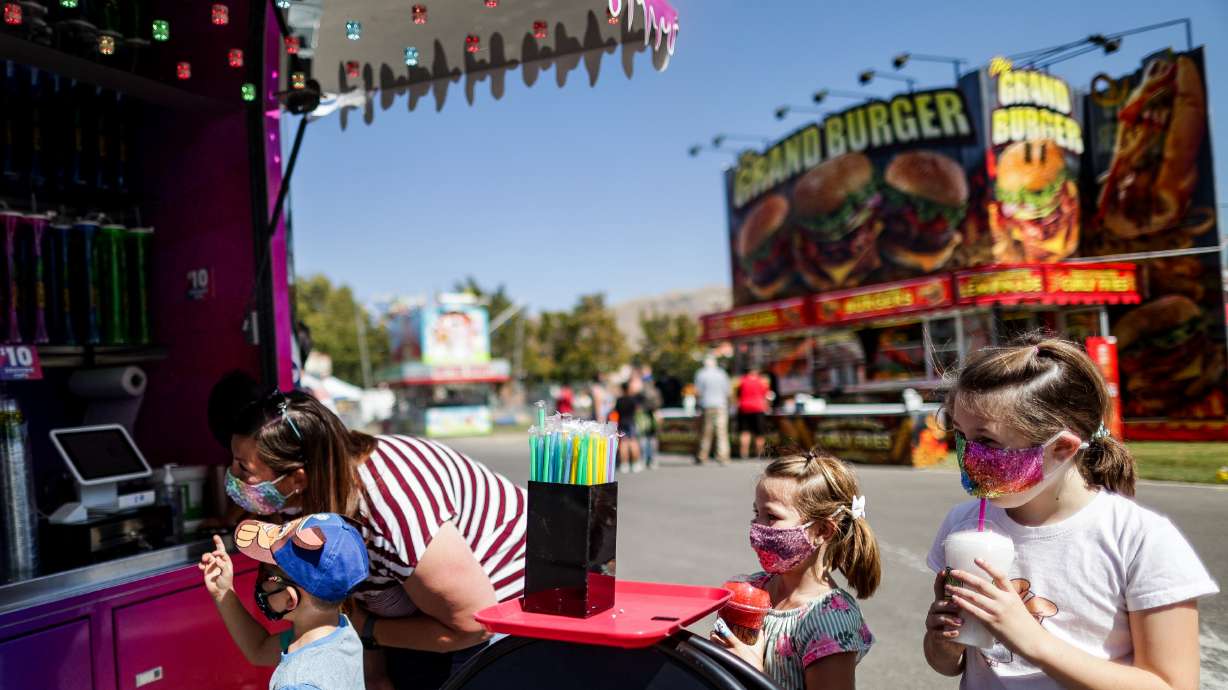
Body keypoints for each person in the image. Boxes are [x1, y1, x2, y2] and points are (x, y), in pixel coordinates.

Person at [924, 336, 1219, 689]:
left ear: (1062, 448)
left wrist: (1032, 641)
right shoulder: (963, 525)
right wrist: (944, 640)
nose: (970, 457)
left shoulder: (1139, 538)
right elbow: (948, 665)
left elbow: (1173, 684)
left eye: (987, 442)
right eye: (961, 436)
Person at [218, 389, 526, 690]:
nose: (232, 476)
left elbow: (474, 625)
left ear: (298, 478)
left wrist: (366, 630)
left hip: (496, 611)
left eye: (243, 469)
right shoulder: (306, 491)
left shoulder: (392, 507)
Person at [712, 449, 878, 689]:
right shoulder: (755, 587)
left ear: (821, 531)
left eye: (771, 516)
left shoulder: (830, 620)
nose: (757, 527)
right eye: (756, 513)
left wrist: (754, 672)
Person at [199, 513, 368, 690]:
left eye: (265, 574)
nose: (260, 581)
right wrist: (224, 592)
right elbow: (259, 649)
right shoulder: (340, 630)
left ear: (290, 599)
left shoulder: (297, 682)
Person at [694, 356, 732, 465]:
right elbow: (728, 391)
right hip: (721, 405)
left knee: (706, 432)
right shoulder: (722, 373)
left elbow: (698, 392)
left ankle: (702, 455)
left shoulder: (700, 374)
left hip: (706, 405)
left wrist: (697, 405)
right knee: (722, 432)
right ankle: (723, 456)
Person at [737, 367, 771, 460]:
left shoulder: (742, 380)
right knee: (759, 433)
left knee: (745, 431)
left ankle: (744, 454)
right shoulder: (762, 381)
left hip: (744, 408)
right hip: (758, 408)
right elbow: (767, 395)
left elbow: (737, 394)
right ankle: (759, 454)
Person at [614, 380, 644, 473]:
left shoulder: (619, 400)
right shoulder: (632, 399)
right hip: (631, 422)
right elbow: (638, 409)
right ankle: (635, 463)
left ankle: (624, 464)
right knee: (633, 443)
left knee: (623, 444)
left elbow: (616, 411)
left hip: (621, 422)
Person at [637, 366, 663, 469]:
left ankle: (644, 460)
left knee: (644, 438)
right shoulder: (654, 388)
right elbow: (658, 402)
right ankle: (652, 460)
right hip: (652, 414)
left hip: (644, 415)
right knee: (651, 438)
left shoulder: (640, 387)